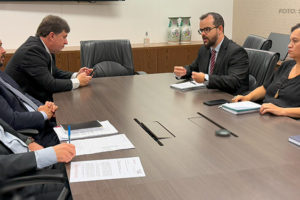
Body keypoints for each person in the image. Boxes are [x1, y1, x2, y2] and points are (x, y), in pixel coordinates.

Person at [5, 15, 93, 103]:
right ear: (52, 36)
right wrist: (78, 81)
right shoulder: (32, 51)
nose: (66, 42)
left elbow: (54, 72)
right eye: (64, 37)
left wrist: (76, 75)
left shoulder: (44, 47)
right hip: (21, 105)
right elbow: (50, 84)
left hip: (35, 99)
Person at [232, 24, 300, 118]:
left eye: (295, 41)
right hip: (265, 115)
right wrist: (248, 97)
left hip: (288, 124)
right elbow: (265, 88)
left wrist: (282, 111)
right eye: (290, 41)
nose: (289, 45)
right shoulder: (286, 65)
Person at [0, 39, 59, 147]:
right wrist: (43, 114)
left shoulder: (1, 74)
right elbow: (12, 120)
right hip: (35, 137)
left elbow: (23, 95)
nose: (4, 51)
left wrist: (42, 106)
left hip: (44, 124)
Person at [173, 12, 249, 95]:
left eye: (207, 29)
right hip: (208, 96)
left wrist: (206, 78)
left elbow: (234, 81)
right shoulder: (204, 49)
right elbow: (193, 68)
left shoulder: (236, 52)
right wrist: (183, 72)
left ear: (220, 29)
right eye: (201, 30)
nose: (202, 34)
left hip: (229, 99)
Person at [0, 118, 76, 199]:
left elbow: (7, 131)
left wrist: (28, 142)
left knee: (77, 160)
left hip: (31, 160)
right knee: (78, 187)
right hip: (20, 183)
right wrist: (47, 155)